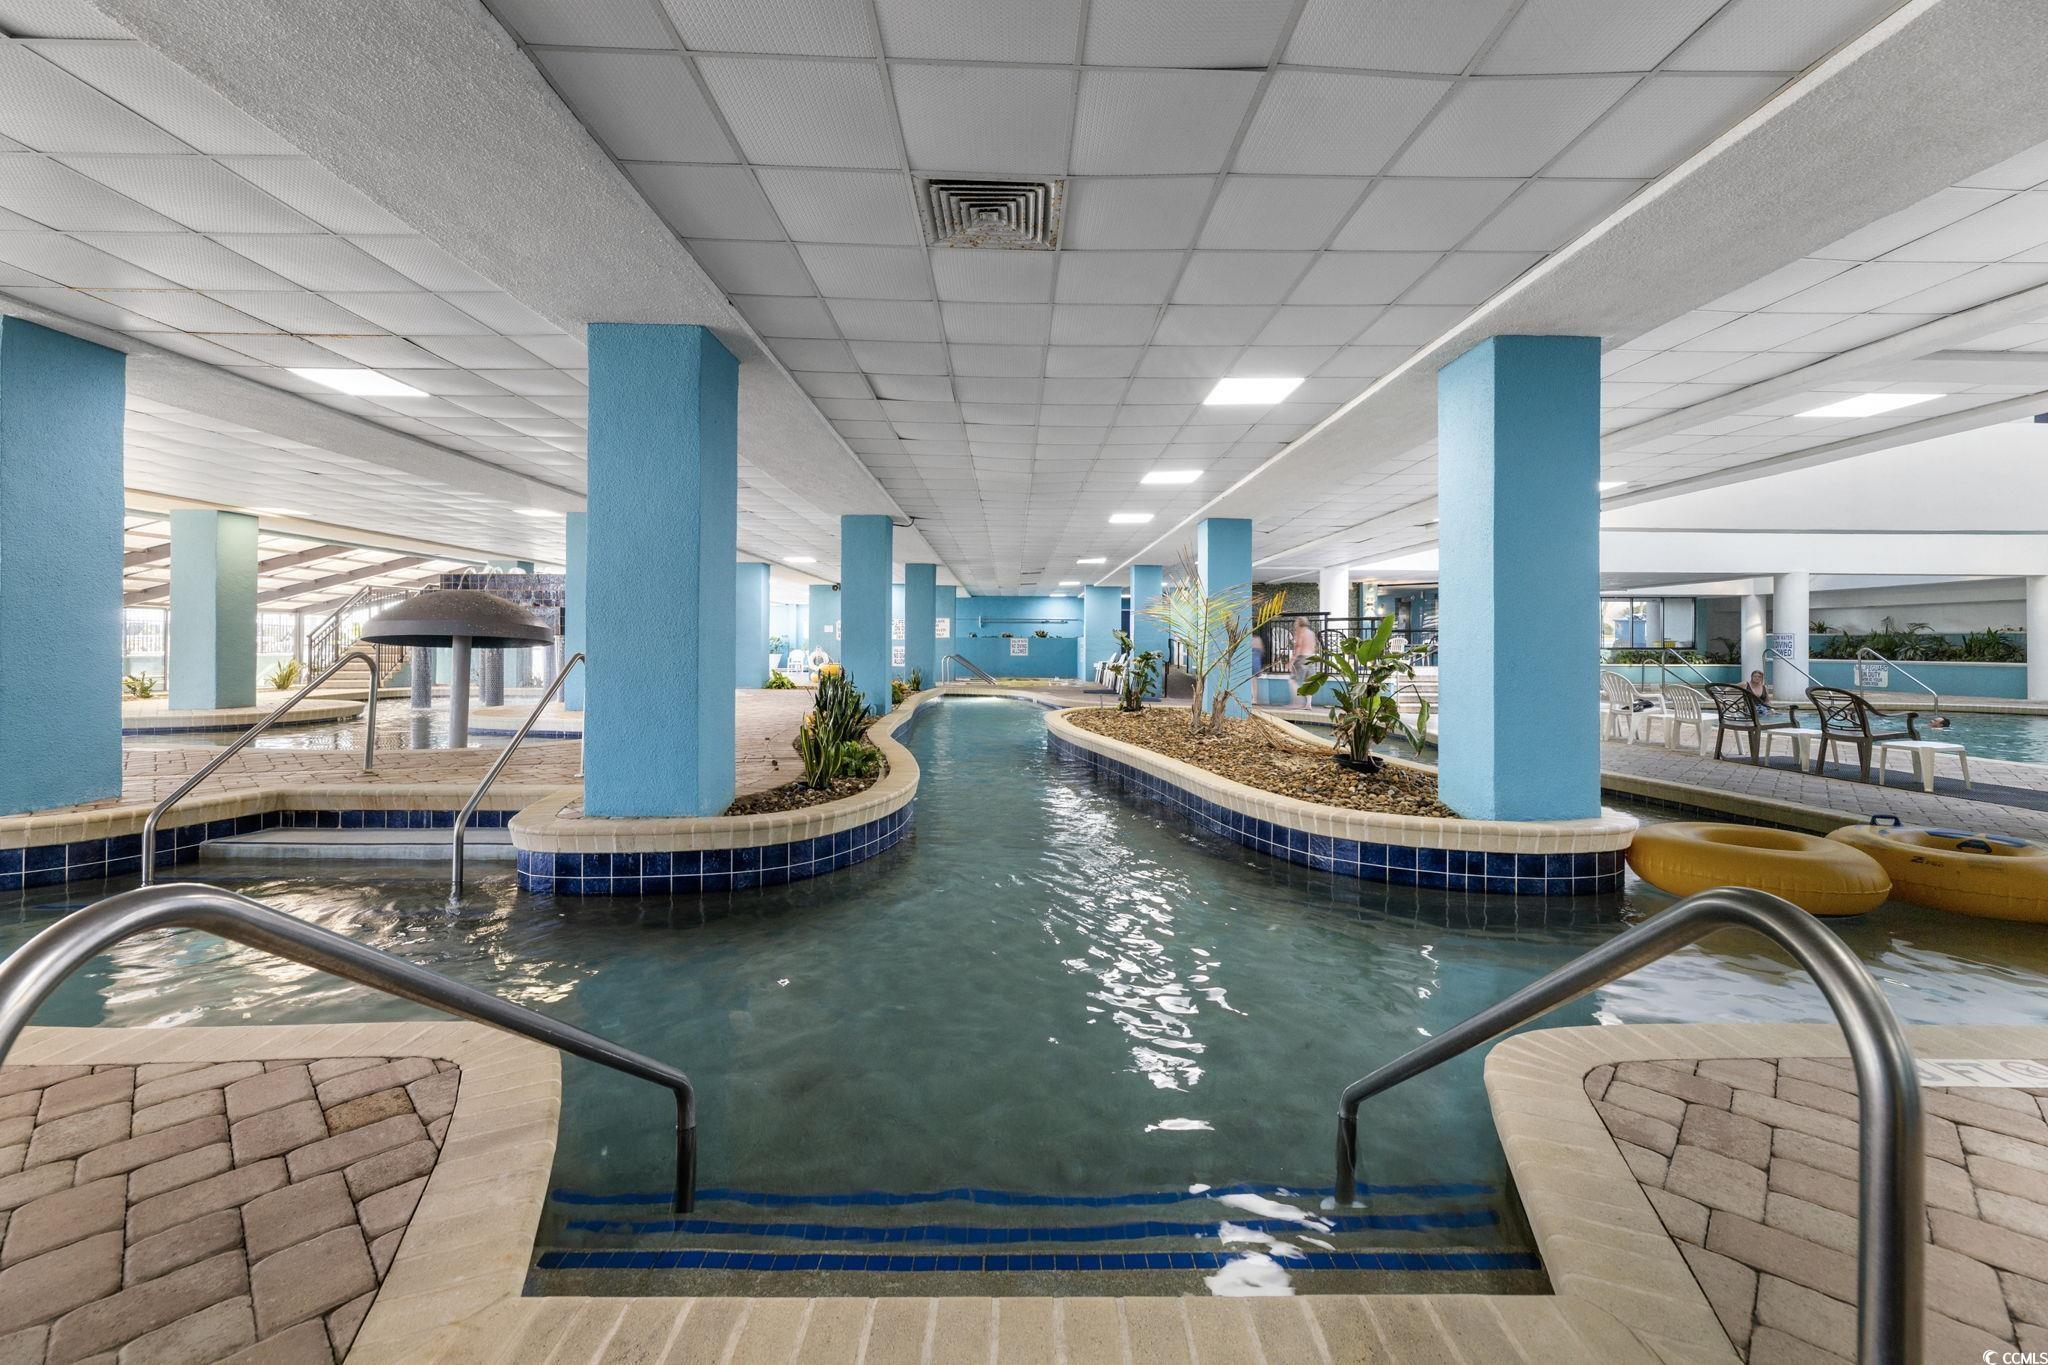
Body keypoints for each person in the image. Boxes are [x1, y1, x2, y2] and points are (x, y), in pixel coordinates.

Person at [1291, 617, 1321, 708]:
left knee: (1293, 680)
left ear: (1298, 624)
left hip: (1302, 658)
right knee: (1308, 682)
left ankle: (1296, 702)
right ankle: (1308, 704)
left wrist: (1292, 660)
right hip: (1311, 658)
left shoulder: (1300, 632)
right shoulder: (1311, 633)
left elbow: (1299, 646)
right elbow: (1314, 646)